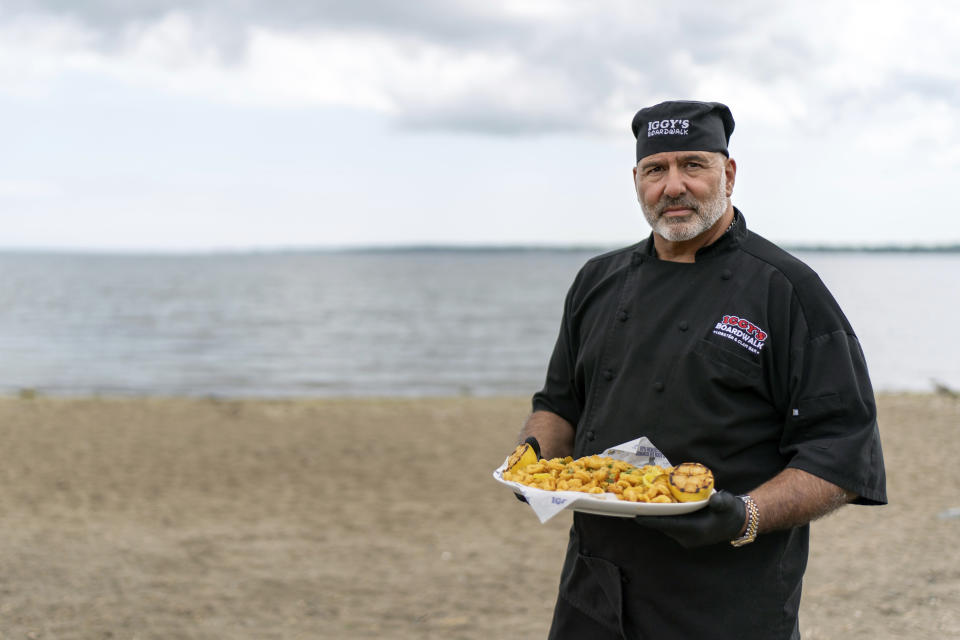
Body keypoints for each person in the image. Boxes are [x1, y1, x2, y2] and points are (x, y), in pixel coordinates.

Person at [516, 100, 887, 639]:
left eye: (693, 164)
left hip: (726, 597)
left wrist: (745, 515)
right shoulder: (596, 281)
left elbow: (841, 453)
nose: (673, 186)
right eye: (655, 169)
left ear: (728, 173)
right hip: (593, 588)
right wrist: (531, 459)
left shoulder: (788, 290)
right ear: (636, 180)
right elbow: (558, 405)